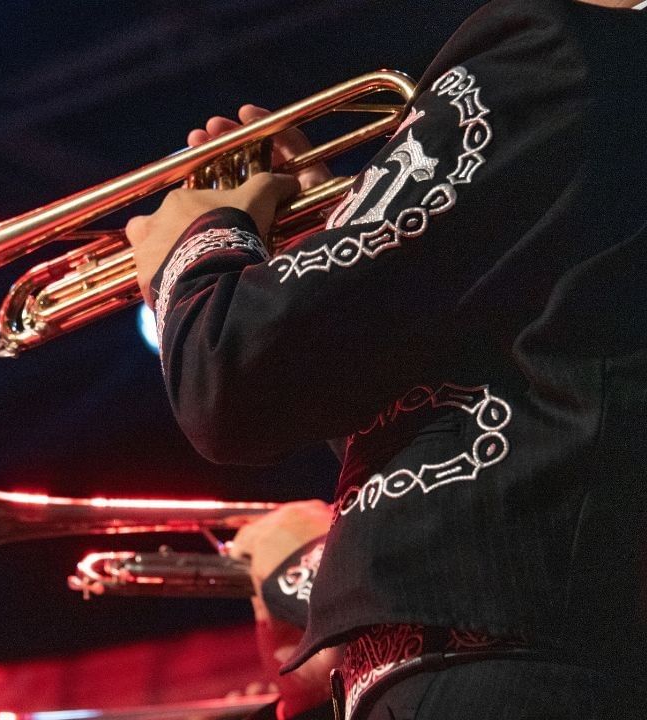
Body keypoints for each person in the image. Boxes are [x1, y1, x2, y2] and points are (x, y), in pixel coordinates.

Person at [125, 0, 647, 717]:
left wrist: (194, 249)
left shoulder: (553, 47)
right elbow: (422, 413)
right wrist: (327, 256)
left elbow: (228, 379)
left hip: (497, 677)